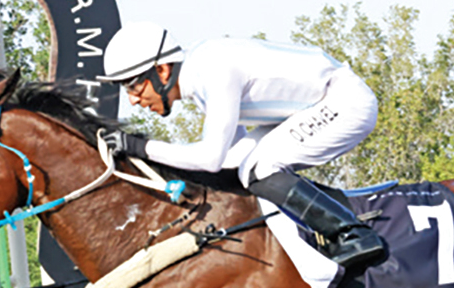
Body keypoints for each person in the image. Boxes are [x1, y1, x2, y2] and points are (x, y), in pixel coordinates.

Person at [96, 21, 387, 269]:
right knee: (244, 169)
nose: (133, 99)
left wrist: (139, 147)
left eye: (133, 85)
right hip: (310, 107)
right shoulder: (200, 75)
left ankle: (354, 234)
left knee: (258, 169)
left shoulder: (212, 71)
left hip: (344, 102)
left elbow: (210, 158)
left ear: (162, 70)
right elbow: (226, 160)